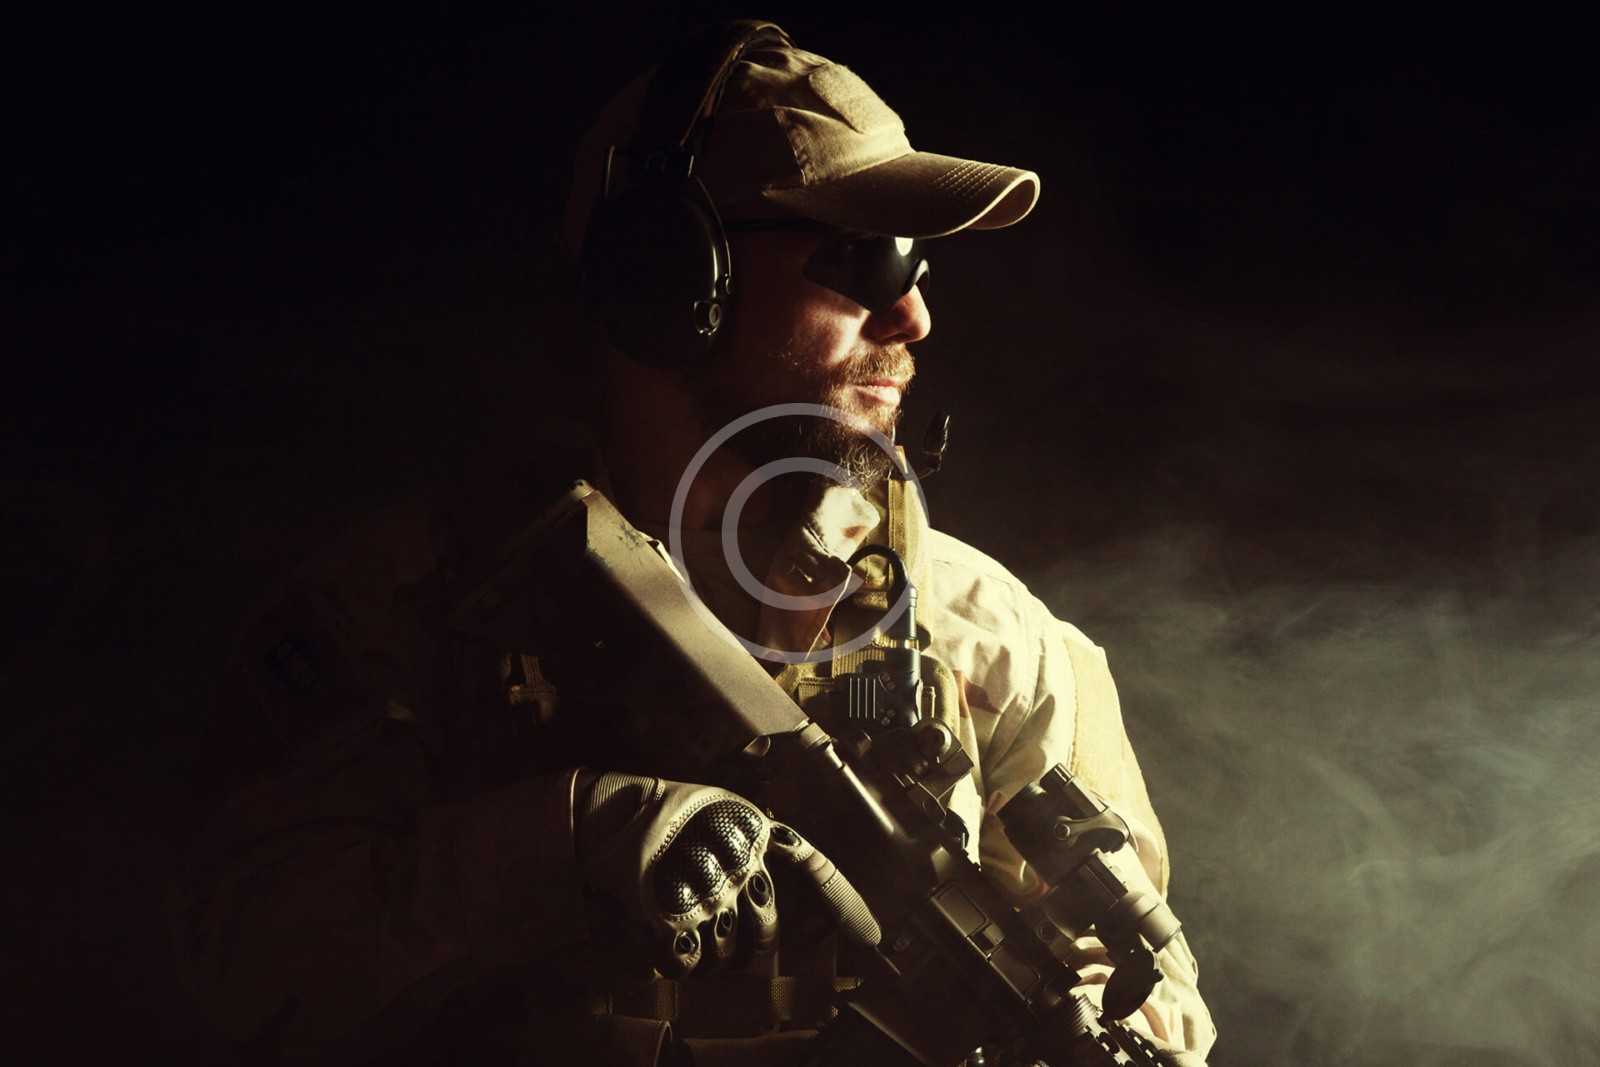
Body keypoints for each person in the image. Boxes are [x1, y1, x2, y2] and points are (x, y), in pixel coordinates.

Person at [172, 20, 1217, 1066]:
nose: (911, 316)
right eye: (868, 258)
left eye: (920, 265)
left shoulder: (986, 635)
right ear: (670, 278)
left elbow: (1149, 999)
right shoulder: (405, 605)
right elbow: (234, 970)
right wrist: (562, 840)